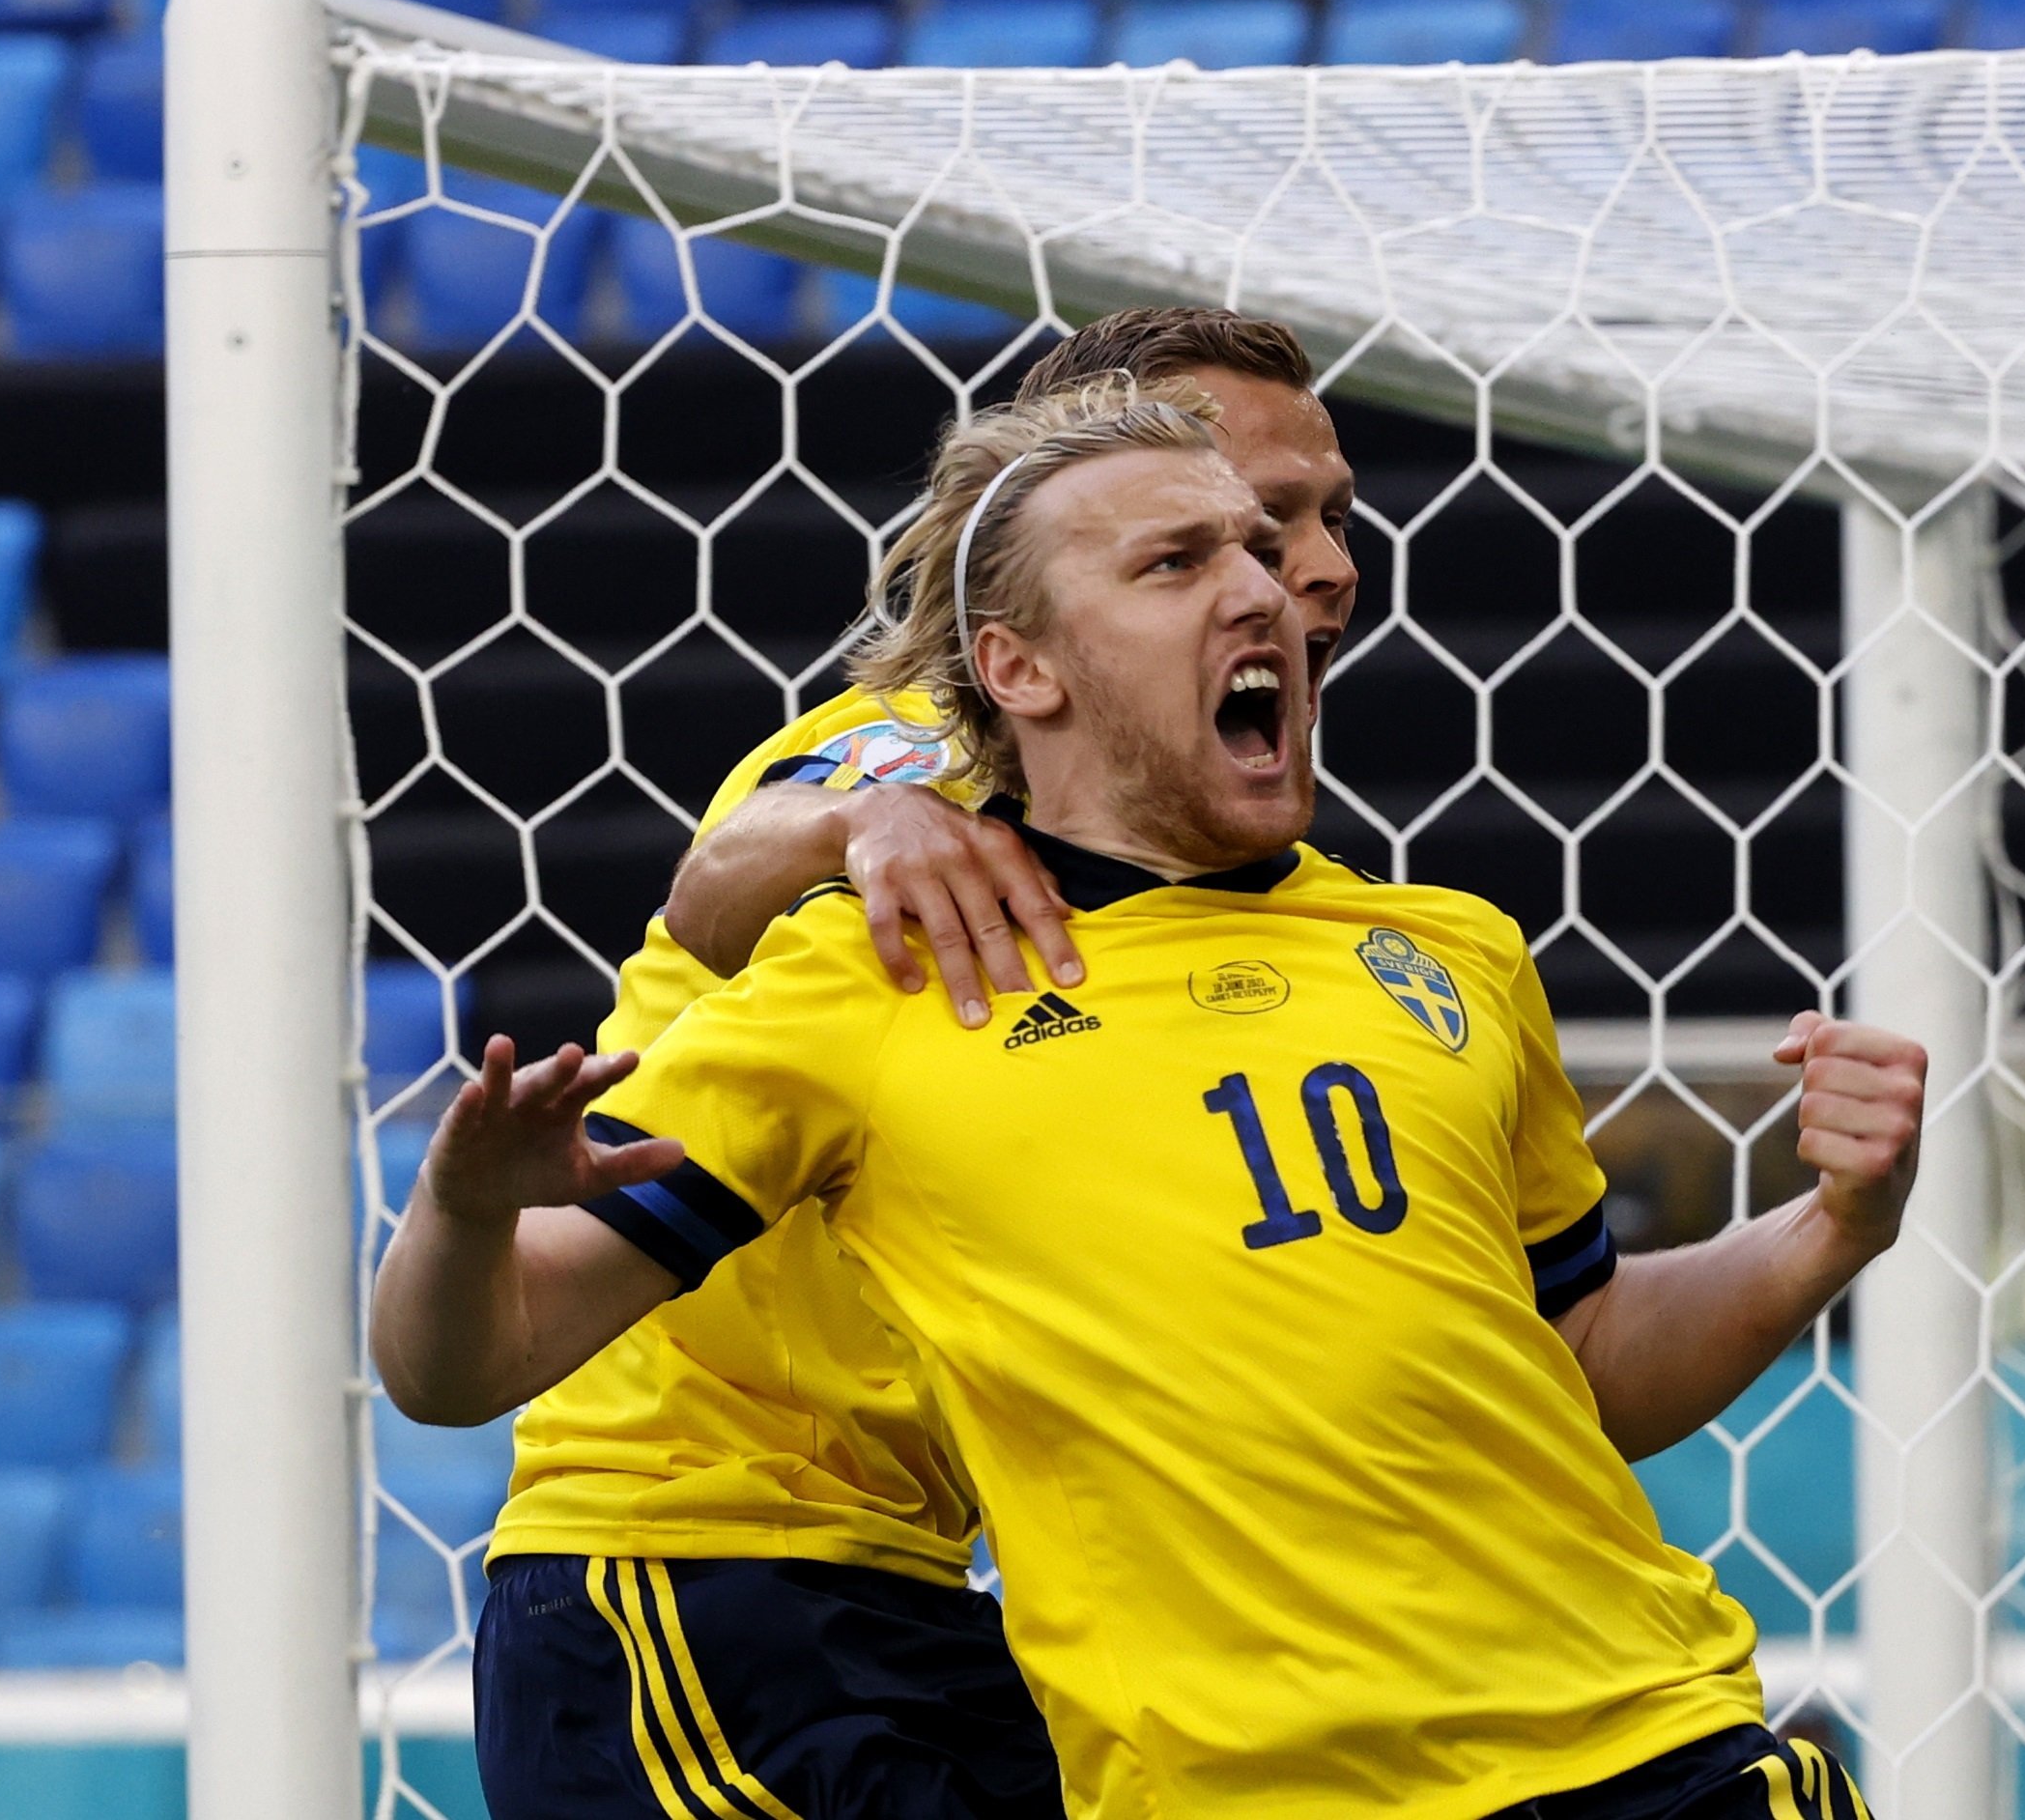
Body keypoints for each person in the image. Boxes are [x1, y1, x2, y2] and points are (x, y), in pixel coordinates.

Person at [376, 378, 1927, 1817]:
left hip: (1661, 1748)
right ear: (1015, 666)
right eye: (1180, 561)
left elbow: (1579, 1355)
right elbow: (465, 1359)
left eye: (1271, 541)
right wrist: (461, 1204)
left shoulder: (1449, 952)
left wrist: (1827, 1230)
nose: (1272, 584)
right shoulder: (884, 964)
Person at [413, 310, 1362, 1820]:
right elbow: (723, 877)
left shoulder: (1226, 883)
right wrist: (858, 830)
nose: (1313, 565)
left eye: (1324, 519)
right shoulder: (927, 754)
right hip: (691, 1564)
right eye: (1247, 518)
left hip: (900, 1578)